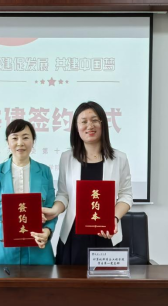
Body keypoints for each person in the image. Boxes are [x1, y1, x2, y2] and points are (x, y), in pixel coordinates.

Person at [43, 101, 133, 265]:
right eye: (83, 121)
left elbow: (125, 195)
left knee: (107, 282)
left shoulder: (119, 158)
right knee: (70, 281)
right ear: (76, 127)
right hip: (73, 236)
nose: (89, 126)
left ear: (103, 124)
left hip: (107, 234)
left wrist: (113, 218)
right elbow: (63, 194)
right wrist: (54, 211)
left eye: (94, 120)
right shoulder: (67, 158)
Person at [0, 119, 57, 265]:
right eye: (15, 138)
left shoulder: (44, 171)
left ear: (33, 141)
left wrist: (47, 231)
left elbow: (51, 209)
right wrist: (24, 212)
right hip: (1, 248)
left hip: (37, 246)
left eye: (25, 137)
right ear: (8, 142)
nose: (20, 143)